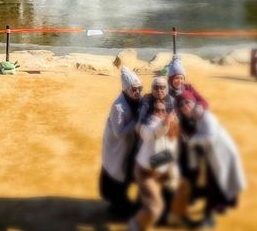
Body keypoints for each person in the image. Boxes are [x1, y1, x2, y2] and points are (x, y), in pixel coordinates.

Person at [173, 91, 246, 226]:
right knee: (219, 181)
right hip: (215, 154)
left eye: (187, 102)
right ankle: (219, 207)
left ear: (194, 102)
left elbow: (209, 138)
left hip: (222, 153)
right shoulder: (194, 116)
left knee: (218, 181)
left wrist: (191, 141)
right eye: (182, 104)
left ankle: (210, 216)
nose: (185, 106)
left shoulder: (205, 116)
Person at [131, 96, 181, 230]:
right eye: (157, 110)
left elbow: (170, 152)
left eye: (163, 110)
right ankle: (135, 225)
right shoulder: (148, 125)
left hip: (158, 170)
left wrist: (172, 176)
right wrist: (165, 123)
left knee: (181, 189)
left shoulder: (172, 127)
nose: (160, 113)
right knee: (155, 207)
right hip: (145, 173)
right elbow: (152, 133)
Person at [100, 67, 143, 217]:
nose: (137, 92)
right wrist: (136, 122)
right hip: (117, 147)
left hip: (129, 146)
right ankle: (117, 207)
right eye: (134, 89)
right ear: (126, 90)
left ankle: (123, 203)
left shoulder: (137, 100)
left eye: (139, 88)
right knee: (118, 176)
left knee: (127, 174)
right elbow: (119, 133)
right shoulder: (119, 107)